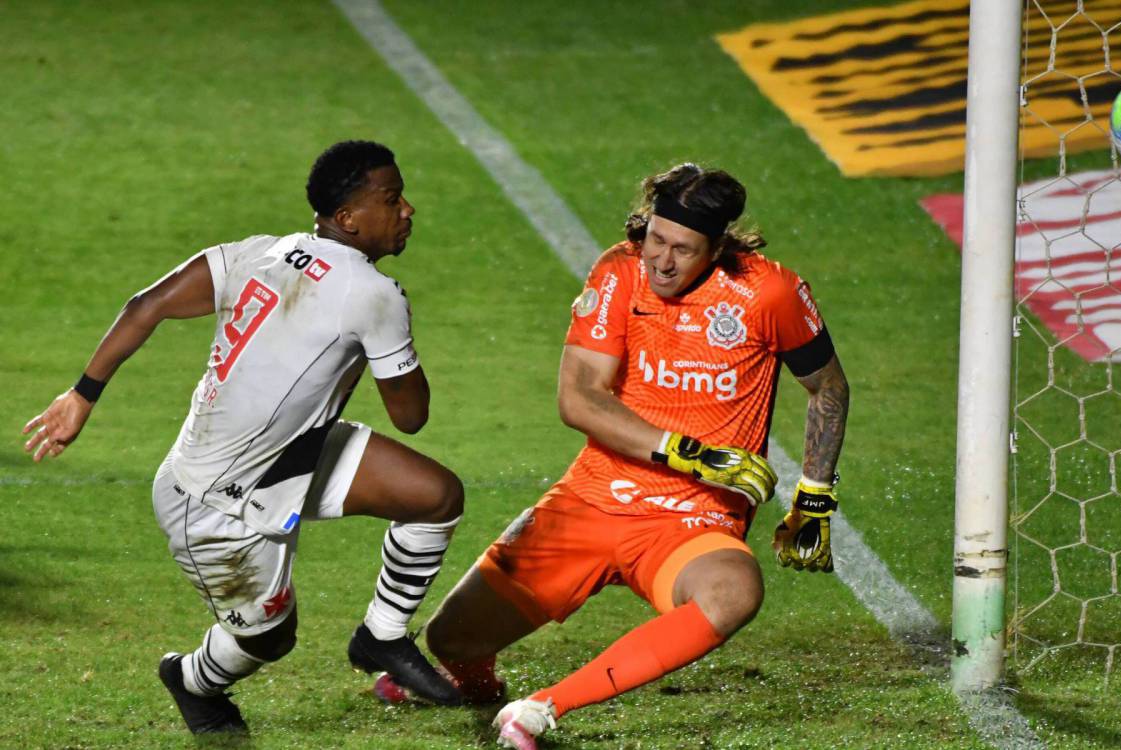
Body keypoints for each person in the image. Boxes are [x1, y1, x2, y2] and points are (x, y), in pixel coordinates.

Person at [21, 140, 465, 735]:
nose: (407, 209)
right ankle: (191, 680)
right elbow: (411, 415)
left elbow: (146, 305)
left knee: (435, 496)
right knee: (270, 639)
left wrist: (81, 394)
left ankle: (381, 637)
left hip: (294, 457)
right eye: (391, 199)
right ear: (348, 218)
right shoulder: (374, 294)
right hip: (210, 502)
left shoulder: (258, 252)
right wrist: (391, 341)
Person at [411, 163, 850, 748]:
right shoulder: (619, 271)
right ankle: (479, 685)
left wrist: (814, 497)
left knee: (733, 592)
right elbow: (578, 397)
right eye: (655, 240)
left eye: (684, 250)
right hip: (592, 496)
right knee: (451, 640)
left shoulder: (768, 292)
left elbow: (829, 387)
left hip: (691, 520)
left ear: (717, 248)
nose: (662, 262)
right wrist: (685, 452)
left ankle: (540, 709)